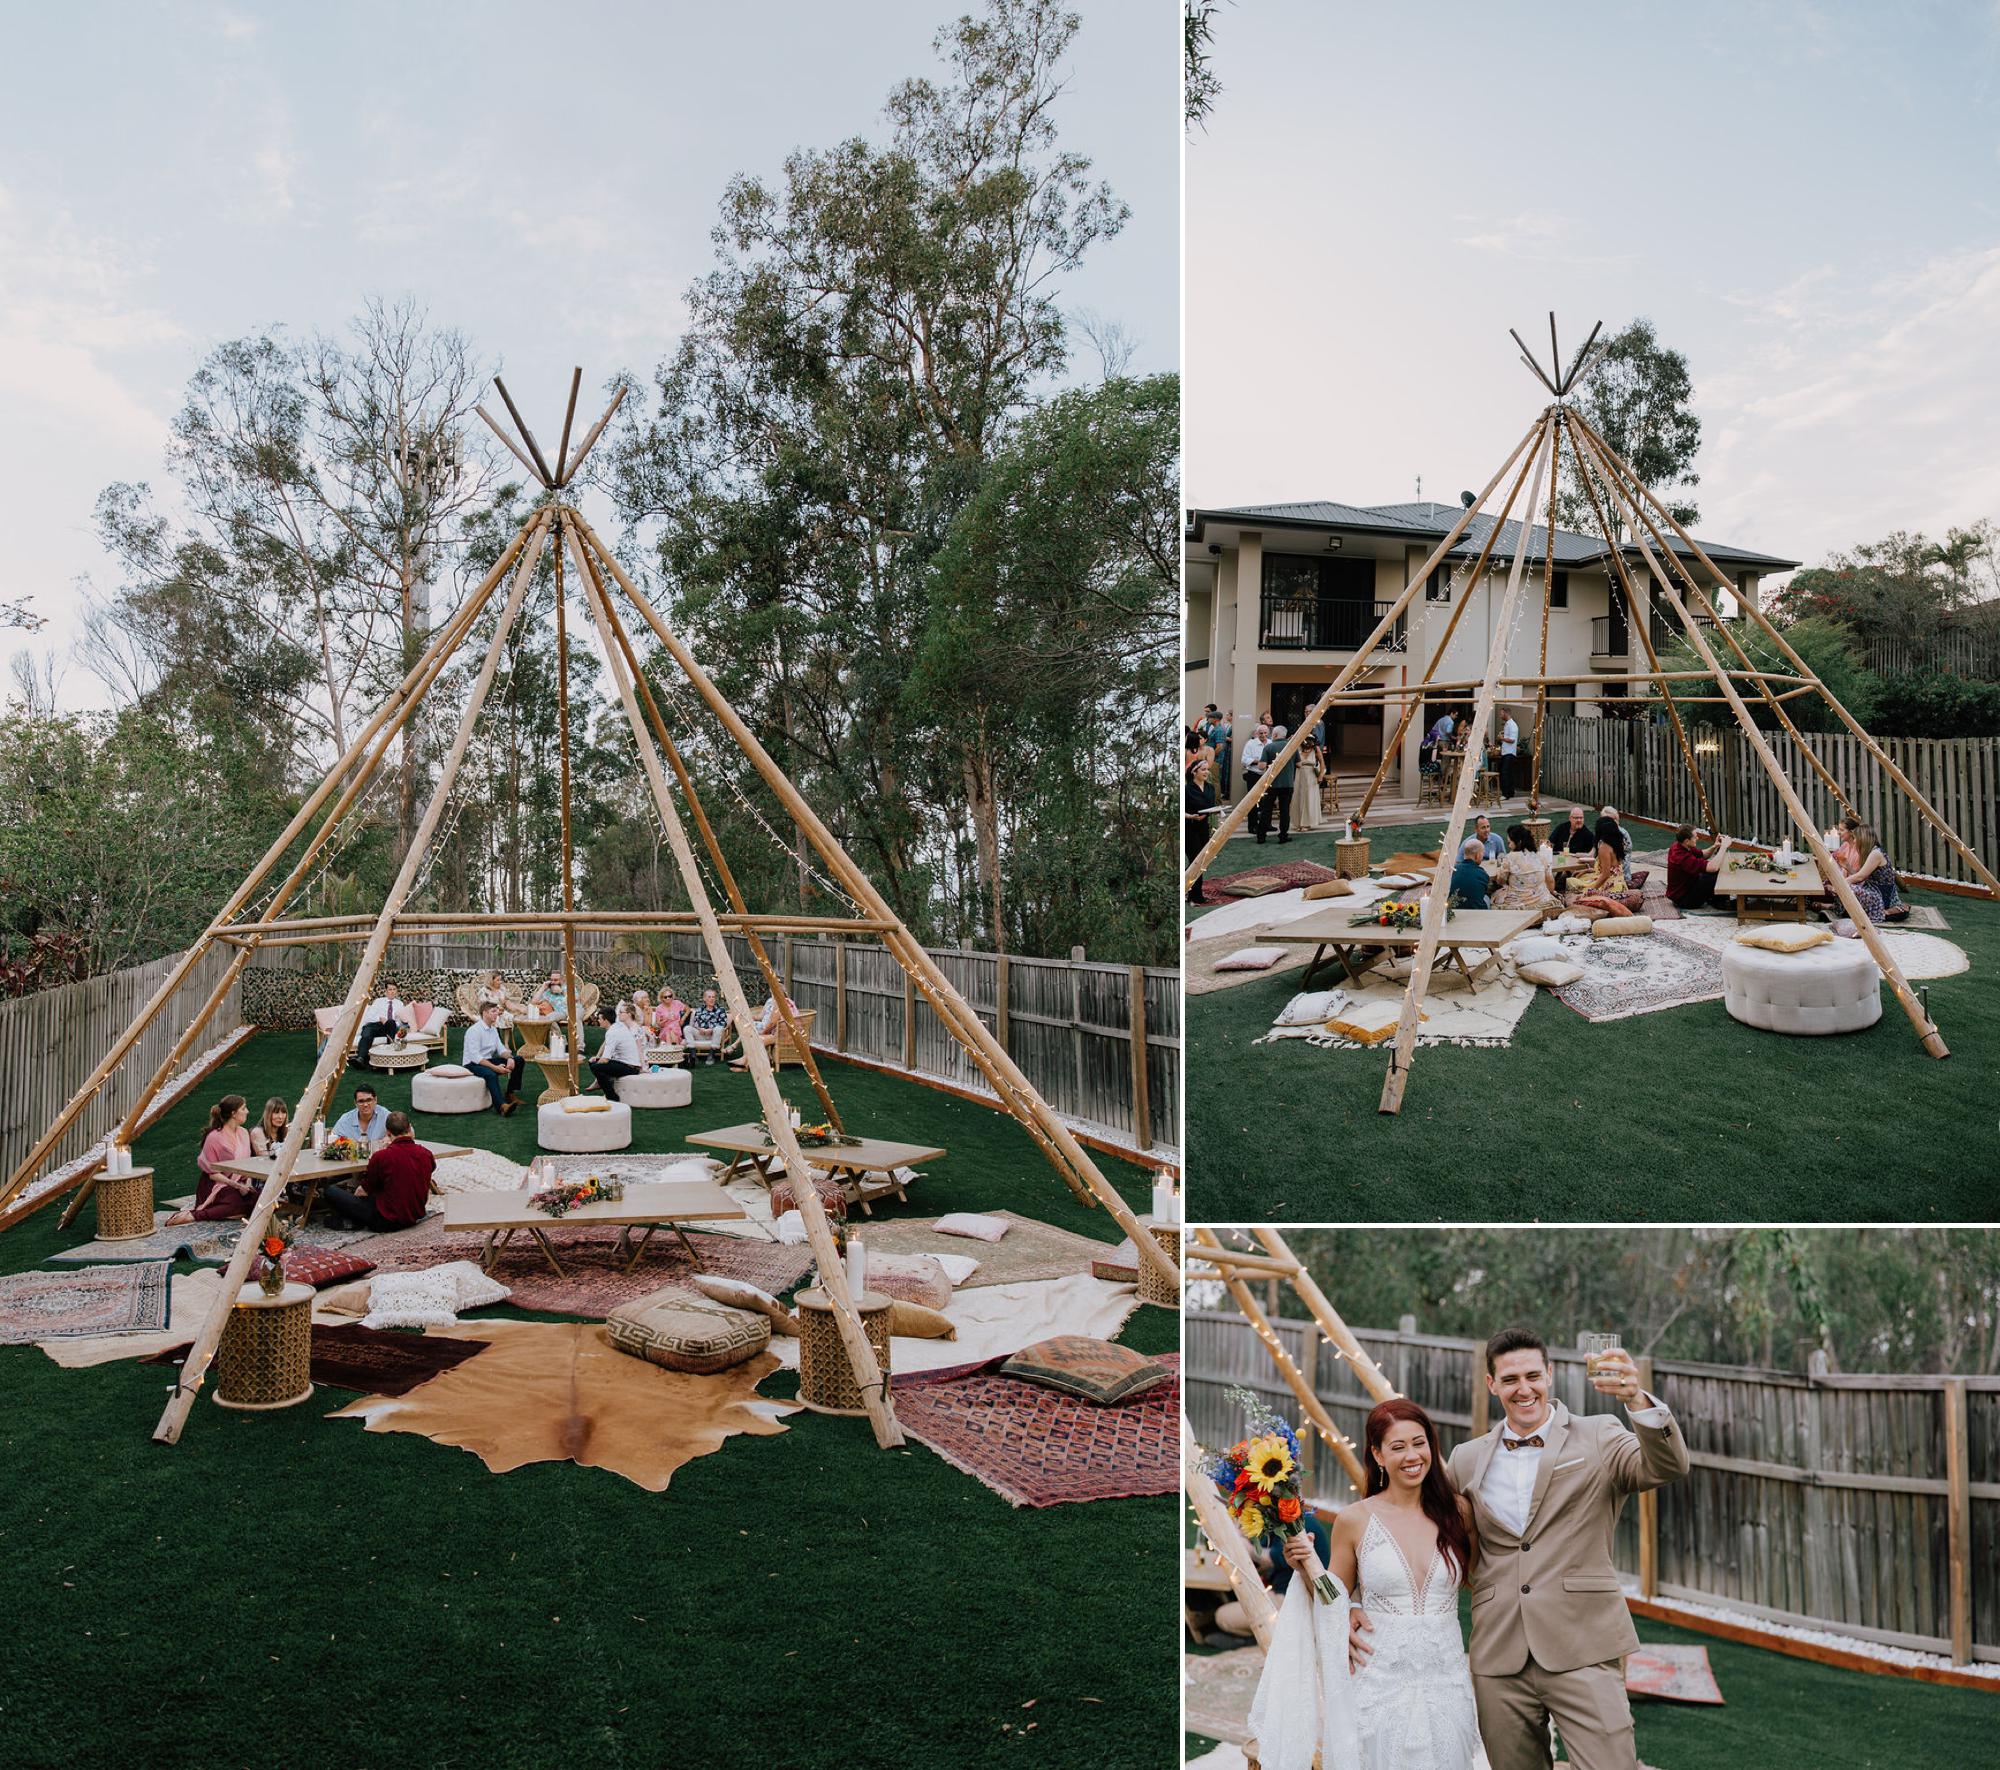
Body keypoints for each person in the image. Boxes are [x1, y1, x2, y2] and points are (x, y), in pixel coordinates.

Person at [1367, 1327, 1685, 1770]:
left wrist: (1637, 1402)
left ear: (1550, 1375)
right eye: (1511, 1379)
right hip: (1499, 1656)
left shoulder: (1600, 1435)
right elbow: (1425, 1529)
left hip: (1583, 1646)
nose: (1524, 1388)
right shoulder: (1466, 1458)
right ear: (1492, 1384)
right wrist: (1354, 1598)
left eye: (1533, 1375)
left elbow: (1667, 1466)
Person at [1256, 1396, 1482, 1770]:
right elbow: (1335, 1597)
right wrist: (1305, 1570)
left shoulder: (1459, 1511)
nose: (1412, 1456)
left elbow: (1478, 1579)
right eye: (1398, 1447)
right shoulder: (1354, 1520)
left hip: (1446, 1682)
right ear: (1378, 1455)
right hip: (1380, 1680)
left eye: (1419, 1443)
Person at [321, 1112, 435, 1232]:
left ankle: (351, 1220)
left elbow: (363, 1191)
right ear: (409, 1128)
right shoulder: (426, 1153)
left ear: (387, 1133)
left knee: (331, 1191)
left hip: (386, 1221)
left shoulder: (382, 1156)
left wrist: (351, 1204)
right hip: (416, 1214)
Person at [168, 1095, 255, 1225]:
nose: (247, 1111)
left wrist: (247, 1184)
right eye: (243, 1108)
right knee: (234, 1203)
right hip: (216, 1183)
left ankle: (232, 1211)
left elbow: (246, 1164)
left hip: (239, 1182)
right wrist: (236, 1185)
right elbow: (213, 1174)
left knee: (257, 1200)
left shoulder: (243, 1133)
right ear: (233, 1113)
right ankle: (193, 1216)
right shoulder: (214, 1138)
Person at [463, 1000, 524, 1115]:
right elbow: (476, 1057)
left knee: (518, 1060)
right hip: (472, 1064)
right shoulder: (474, 1031)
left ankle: (510, 1094)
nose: (497, 1014)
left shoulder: (493, 1029)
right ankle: (502, 1106)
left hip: (487, 1061)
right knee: (490, 1074)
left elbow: (501, 1049)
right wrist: (495, 1068)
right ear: (485, 1013)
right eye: (493, 1011)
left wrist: (510, 1058)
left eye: (497, 1011)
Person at [1839, 826, 1905, 927]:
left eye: (1856, 838)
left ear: (1863, 838)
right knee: (1845, 888)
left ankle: (1882, 911)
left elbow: (1860, 877)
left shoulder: (1876, 853)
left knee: (1847, 889)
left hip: (1882, 896)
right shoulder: (1872, 852)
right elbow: (1861, 876)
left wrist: (1841, 884)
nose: (1855, 841)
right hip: (1873, 890)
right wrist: (1847, 867)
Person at [1568, 817, 1631, 921]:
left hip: (1610, 886)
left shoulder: (1604, 847)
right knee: (1581, 876)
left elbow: (1605, 874)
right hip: (1619, 883)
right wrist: (1587, 870)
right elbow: (1609, 868)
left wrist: (1590, 890)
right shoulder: (1618, 842)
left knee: (1571, 881)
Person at [1490, 824, 1557, 914]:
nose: (1509, 846)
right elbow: (1550, 881)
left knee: (1494, 895)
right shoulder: (1541, 856)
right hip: (1543, 902)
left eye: (1509, 843)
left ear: (1519, 842)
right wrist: (1550, 894)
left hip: (1518, 904)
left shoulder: (1510, 858)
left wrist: (1500, 870)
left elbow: (1500, 881)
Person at [730, 989, 801, 1069]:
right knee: (755, 1038)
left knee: (756, 1039)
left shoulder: (780, 1004)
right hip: (789, 1034)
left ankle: (745, 1062)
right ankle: (745, 1064)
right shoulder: (788, 1002)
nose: (772, 997)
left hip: (783, 1035)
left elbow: (771, 1023)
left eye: (773, 994)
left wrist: (763, 1033)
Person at [589, 1004, 645, 1100]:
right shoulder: (618, 1026)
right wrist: (596, 1058)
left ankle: (612, 1097)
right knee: (594, 1063)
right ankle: (605, 1085)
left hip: (631, 1067)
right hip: (625, 1063)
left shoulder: (612, 1032)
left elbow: (605, 1059)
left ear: (606, 1020)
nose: (598, 1021)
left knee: (596, 1067)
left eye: (599, 1019)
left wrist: (597, 1061)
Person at [353, 985, 414, 1072]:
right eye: (390, 989)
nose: (392, 991)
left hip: (390, 1027)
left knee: (392, 1022)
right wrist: (381, 1019)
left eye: (394, 989)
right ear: (386, 991)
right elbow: (369, 1017)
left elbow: (399, 1022)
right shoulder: (378, 1001)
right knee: (367, 1032)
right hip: (375, 1025)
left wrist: (391, 1022)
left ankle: (390, 1056)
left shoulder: (399, 1004)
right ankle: (361, 1059)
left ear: (396, 991)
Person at [1664, 826, 1727, 909]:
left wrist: (1715, 846)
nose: (1697, 838)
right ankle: (1722, 903)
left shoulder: (1681, 845)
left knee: (1711, 871)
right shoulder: (1681, 857)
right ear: (1687, 841)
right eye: (1695, 837)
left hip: (1687, 887)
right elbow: (1713, 867)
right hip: (1684, 900)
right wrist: (1724, 847)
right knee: (1713, 875)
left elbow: (1703, 854)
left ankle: (1716, 899)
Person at [1185, 749, 1217, 905]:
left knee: (1202, 862)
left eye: (1207, 770)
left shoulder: (1211, 788)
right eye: (1203, 770)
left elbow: (1211, 806)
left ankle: (1190, 891)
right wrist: (1190, 816)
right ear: (1194, 772)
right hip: (1189, 827)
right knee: (1195, 862)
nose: (1206, 772)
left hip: (1204, 826)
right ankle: (1194, 896)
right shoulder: (1187, 789)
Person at [1258, 726, 1296, 844]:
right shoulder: (1292, 748)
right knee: (1284, 811)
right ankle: (1283, 835)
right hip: (1288, 784)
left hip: (1272, 784)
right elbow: (1299, 764)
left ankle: (1261, 836)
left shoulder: (1269, 747)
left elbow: (1262, 766)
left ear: (1274, 735)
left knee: (1266, 810)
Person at [685, 987, 730, 1062]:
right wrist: (700, 1029)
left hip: (714, 1036)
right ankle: (693, 1054)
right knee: (687, 1028)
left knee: (718, 1028)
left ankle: (711, 1054)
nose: (712, 999)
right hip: (701, 1034)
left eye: (713, 997)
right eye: (709, 997)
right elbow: (695, 1023)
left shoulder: (720, 1010)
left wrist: (711, 1030)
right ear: (704, 999)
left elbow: (723, 1024)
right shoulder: (699, 1010)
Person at [1448, 838, 1491, 910]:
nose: (1483, 856)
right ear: (1477, 855)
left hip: (1453, 910)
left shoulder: (1452, 870)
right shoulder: (1483, 874)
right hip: (1476, 913)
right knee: (1487, 897)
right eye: (1482, 853)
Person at [1497, 708, 1521, 800]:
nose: (1500, 715)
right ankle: (1510, 792)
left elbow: (1512, 740)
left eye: (1501, 713)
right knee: (1508, 773)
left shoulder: (1512, 725)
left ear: (1506, 713)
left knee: (1505, 773)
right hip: (1505, 752)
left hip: (1510, 753)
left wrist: (1501, 738)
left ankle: (1505, 794)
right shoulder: (1507, 725)